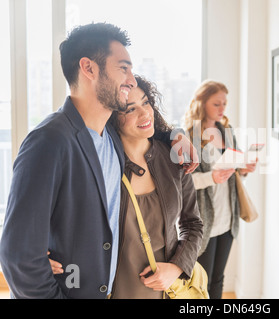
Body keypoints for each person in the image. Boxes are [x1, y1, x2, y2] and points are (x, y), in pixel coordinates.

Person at [0, 23, 198, 299]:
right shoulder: (49, 142)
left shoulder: (110, 139)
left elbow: (145, 132)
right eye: (123, 68)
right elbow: (19, 258)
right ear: (89, 68)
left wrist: (178, 134)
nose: (130, 80)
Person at [109, 75, 203, 298]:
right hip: (114, 290)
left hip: (165, 290)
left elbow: (193, 224)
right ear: (112, 117)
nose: (144, 114)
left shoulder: (174, 158)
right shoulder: (103, 166)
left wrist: (177, 267)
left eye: (145, 102)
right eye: (130, 109)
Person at [184, 80, 257, 299]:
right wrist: (211, 178)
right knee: (200, 281)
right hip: (204, 219)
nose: (222, 108)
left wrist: (243, 169)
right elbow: (184, 182)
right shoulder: (189, 135)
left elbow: (233, 170)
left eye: (224, 103)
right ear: (202, 103)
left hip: (228, 216)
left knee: (218, 278)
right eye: (217, 103)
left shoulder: (226, 131)